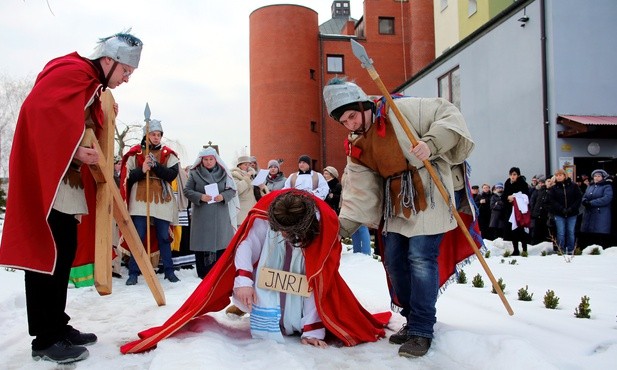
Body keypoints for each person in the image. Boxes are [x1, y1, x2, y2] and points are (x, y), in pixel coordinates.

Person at [0, 31, 143, 364]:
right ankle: (44, 338)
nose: (125, 79)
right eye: (125, 71)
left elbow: (77, 121)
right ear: (109, 60)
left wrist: (102, 112)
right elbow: (39, 115)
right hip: (52, 180)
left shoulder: (90, 84)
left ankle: (58, 325)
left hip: (67, 182)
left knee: (61, 253)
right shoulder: (71, 72)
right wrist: (76, 149)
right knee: (46, 255)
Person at [120, 189, 391, 354]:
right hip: (268, 270)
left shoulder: (322, 225)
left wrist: (313, 332)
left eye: (289, 231)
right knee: (261, 297)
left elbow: (319, 281)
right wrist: (243, 280)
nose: (284, 234)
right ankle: (258, 315)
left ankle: (302, 325)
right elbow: (247, 245)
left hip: (301, 269)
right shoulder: (265, 216)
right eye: (280, 229)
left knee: (310, 289)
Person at [322, 77, 476, 357]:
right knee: (393, 261)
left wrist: (431, 143)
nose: (350, 125)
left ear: (364, 105)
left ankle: (422, 329)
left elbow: (449, 113)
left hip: (429, 192)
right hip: (395, 203)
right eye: (344, 121)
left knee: (420, 258)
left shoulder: (402, 109)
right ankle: (411, 317)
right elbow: (360, 190)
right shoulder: (357, 144)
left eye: (353, 116)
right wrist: (340, 228)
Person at [121, 119, 180, 285]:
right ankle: (133, 272)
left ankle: (169, 271)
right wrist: (143, 169)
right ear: (146, 135)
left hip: (162, 198)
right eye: (153, 134)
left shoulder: (168, 153)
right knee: (138, 235)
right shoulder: (136, 153)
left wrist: (155, 166)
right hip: (139, 198)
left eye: (158, 135)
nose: (156, 137)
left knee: (163, 235)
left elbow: (171, 175)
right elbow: (128, 177)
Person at [183, 147, 238, 278]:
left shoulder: (225, 173)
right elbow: (187, 191)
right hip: (202, 214)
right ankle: (203, 271)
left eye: (211, 159)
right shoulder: (195, 173)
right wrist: (200, 197)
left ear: (215, 160)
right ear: (201, 161)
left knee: (221, 242)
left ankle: (220, 270)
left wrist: (223, 196)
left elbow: (232, 190)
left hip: (220, 213)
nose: (208, 162)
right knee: (203, 243)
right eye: (206, 159)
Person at [548, 168, 582, 254]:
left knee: (570, 231)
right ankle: (561, 249)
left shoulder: (573, 186)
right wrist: (561, 209)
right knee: (561, 232)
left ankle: (571, 249)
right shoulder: (554, 188)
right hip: (559, 213)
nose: (558, 177)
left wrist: (571, 208)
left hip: (572, 213)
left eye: (560, 175)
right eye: (557, 176)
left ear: (564, 175)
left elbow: (578, 198)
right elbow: (552, 201)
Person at [579, 169, 613, 248]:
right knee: (589, 234)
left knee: (599, 233)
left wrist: (591, 203)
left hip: (600, 214)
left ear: (603, 177)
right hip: (589, 213)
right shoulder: (590, 186)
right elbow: (585, 196)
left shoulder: (607, 186)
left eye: (599, 176)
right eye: (595, 176)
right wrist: (584, 201)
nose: (596, 178)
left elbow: (607, 198)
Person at [501, 167, 530, 255]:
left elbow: (525, 196)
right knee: (513, 230)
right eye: (511, 175)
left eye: (514, 175)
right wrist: (507, 198)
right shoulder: (507, 183)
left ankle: (524, 249)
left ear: (518, 175)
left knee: (521, 229)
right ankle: (515, 249)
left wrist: (515, 198)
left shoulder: (523, 184)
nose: (512, 176)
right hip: (510, 210)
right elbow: (503, 196)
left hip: (520, 210)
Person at [231, 155, 258, 227]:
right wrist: (247, 177)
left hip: (251, 207)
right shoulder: (234, 175)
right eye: (245, 164)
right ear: (239, 165)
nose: (248, 166)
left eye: (249, 164)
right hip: (242, 210)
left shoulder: (252, 174)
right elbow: (238, 189)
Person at [529, 176, 551, 245]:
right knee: (536, 232)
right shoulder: (537, 191)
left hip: (546, 215)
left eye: (542, 183)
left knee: (545, 232)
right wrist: (532, 212)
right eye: (540, 183)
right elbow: (533, 202)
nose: (541, 184)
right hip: (536, 214)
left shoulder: (550, 191)